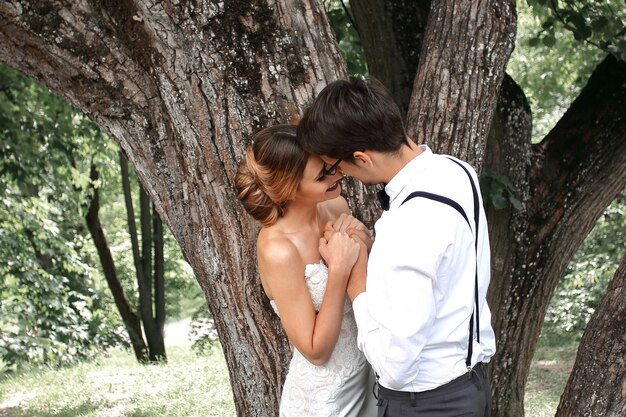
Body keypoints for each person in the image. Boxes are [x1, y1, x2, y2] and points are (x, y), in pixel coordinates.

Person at [297, 79, 496, 417]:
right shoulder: (456, 170)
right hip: (470, 386)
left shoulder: (407, 224)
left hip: (426, 404)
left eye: (337, 165)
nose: (339, 174)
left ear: (361, 157)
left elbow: (395, 368)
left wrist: (357, 279)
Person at [234, 124, 377, 417]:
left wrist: (365, 242)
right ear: (289, 188)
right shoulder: (278, 249)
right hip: (325, 402)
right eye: (322, 174)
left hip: (368, 378)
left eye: (330, 165)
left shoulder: (336, 206)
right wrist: (337, 270)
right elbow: (315, 350)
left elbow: (366, 283)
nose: (337, 173)